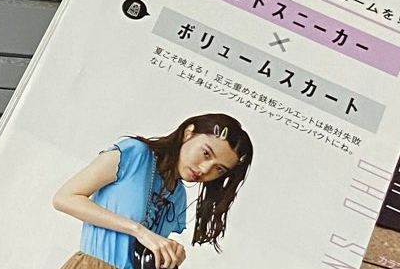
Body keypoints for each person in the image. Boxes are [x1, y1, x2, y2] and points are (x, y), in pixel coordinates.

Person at [51, 113, 253, 269]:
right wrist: (138, 230)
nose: (205, 169)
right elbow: (65, 198)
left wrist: (169, 254)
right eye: (206, 153)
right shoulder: (135, 154)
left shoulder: (178, 196)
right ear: (188, 133)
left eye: (219, 169)